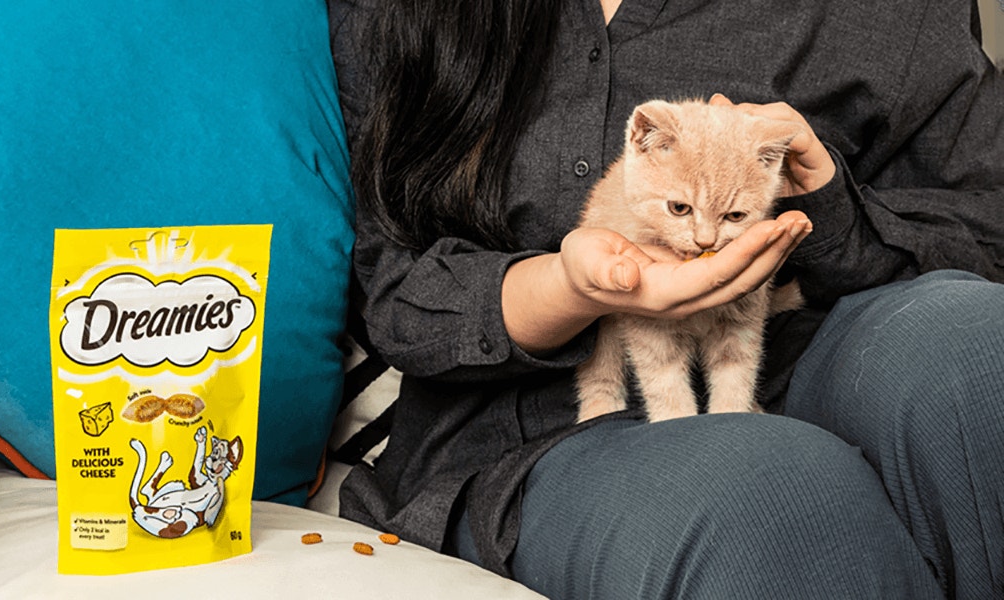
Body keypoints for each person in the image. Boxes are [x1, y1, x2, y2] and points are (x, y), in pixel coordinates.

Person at [327, 0, 1004, 597]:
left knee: (979, 360)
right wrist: (572, 287)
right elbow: (396, 292)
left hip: (811, 340)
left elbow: (986, 219)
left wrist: (828, 209)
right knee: (770, 495)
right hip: (529, 429)